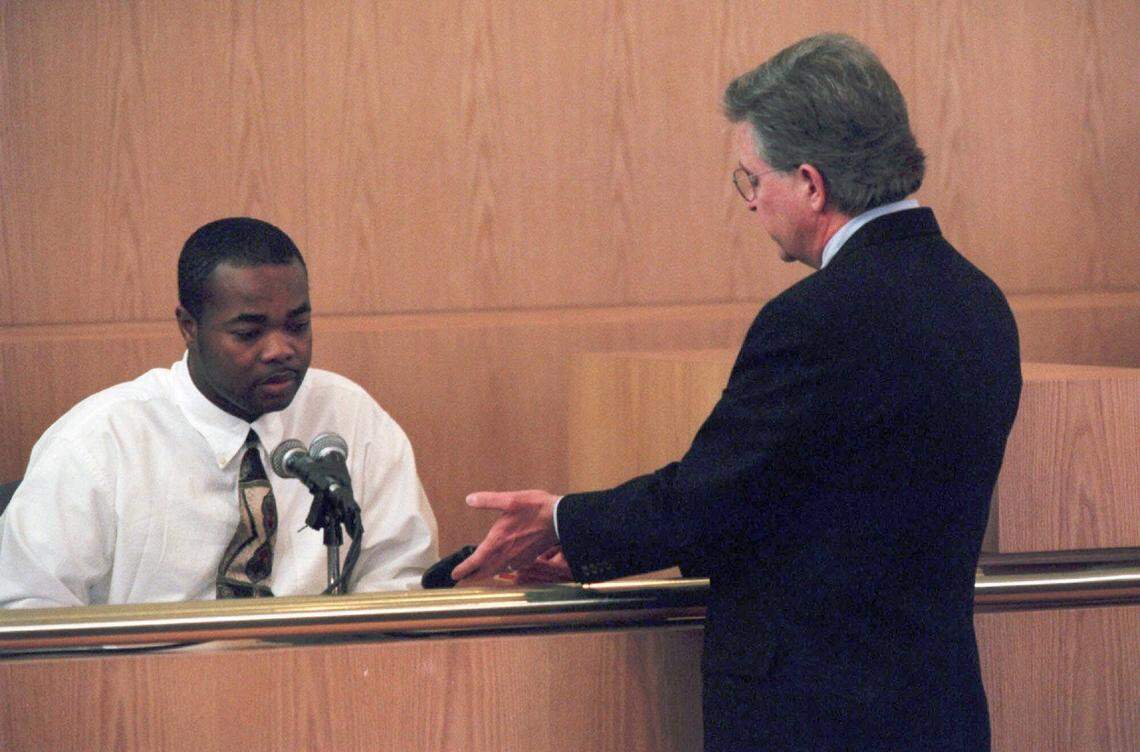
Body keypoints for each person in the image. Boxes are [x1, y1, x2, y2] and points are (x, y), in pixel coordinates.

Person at [453, 34, 1021, 751]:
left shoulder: (816, 318)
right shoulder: (980, 302)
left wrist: (565, 519)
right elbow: (817, 502)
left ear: (811, 184)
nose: (751, 202)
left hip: (814, 718)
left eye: (753, 180)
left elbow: (710, 497)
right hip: (939, 712)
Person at [0, 217, 438, 607]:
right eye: (249, 332)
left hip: (315, 688)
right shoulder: (99, 442)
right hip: (146, 688)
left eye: (298, 325)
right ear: (189, 326)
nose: (281, 349)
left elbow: (401, 578)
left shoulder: (350, 418)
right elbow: (30, 611)